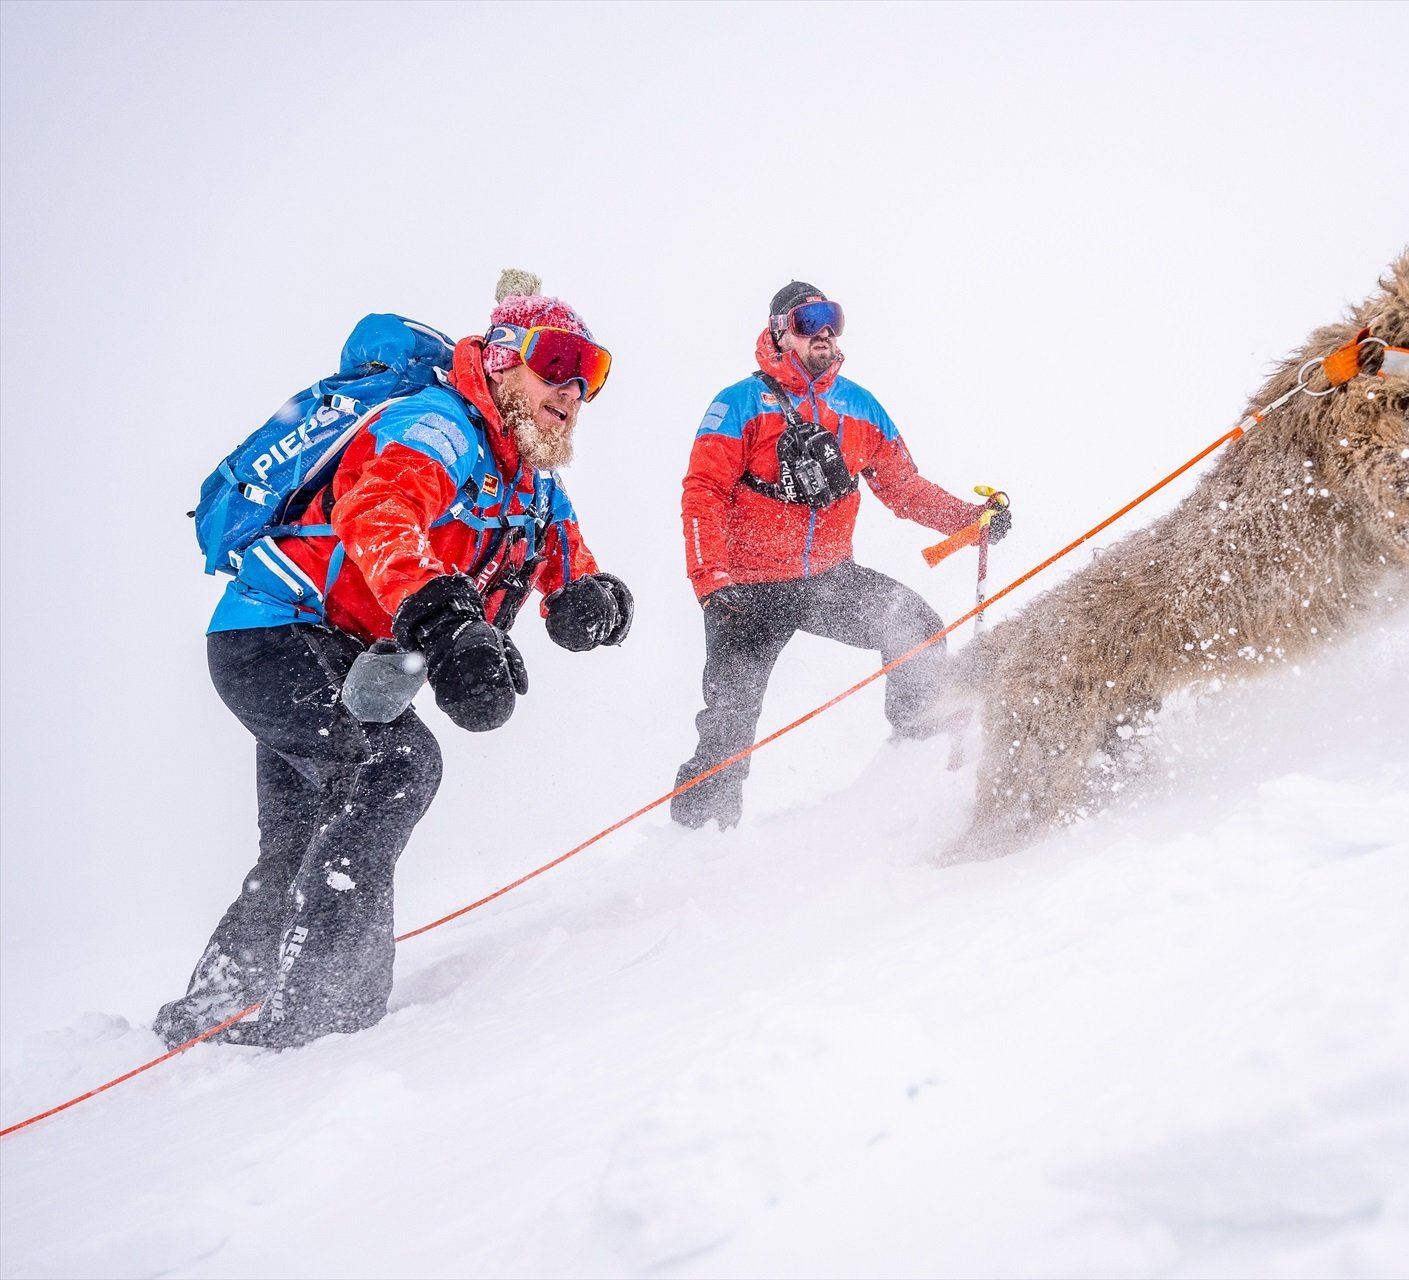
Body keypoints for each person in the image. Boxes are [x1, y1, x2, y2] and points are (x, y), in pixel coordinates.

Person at [154, 271, 632, 1050]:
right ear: (504, 357)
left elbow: (567, 565)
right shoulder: (437, 425)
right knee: (394, 768)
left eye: (594, 372)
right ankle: (323, 1018)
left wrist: (593, 604)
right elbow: (379, 512)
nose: (575, 387)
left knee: (307, 831)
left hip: (352, 661)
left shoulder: (531, 483)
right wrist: (448, 625)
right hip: (273, 637)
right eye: (559, 361)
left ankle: (214, 1006)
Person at [672, 281, 1010, 829]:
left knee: (917, 628)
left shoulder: (859, 405)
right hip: (746, 590)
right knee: (729, 721)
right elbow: (702, 494)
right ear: (781, 331)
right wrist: (711, 578)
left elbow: (903, 486)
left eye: (833, 318)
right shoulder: (737, 404)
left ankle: (915, 756)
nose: (824, 332)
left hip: (825, 580)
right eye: (810, 321)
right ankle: (699, 837)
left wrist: (969, 521)